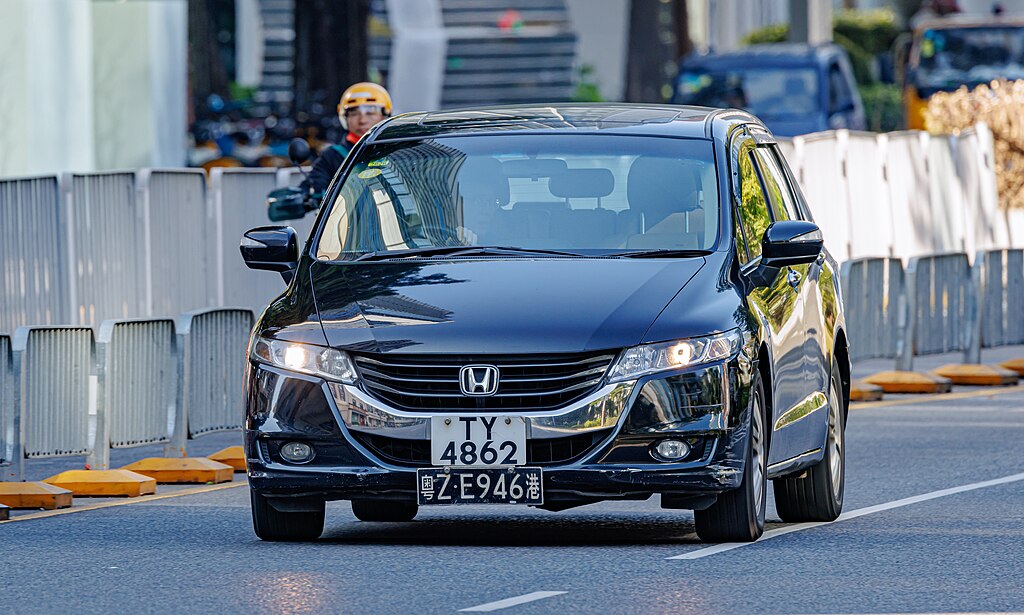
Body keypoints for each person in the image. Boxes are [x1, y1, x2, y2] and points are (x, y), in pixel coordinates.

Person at [301, 82, 392, 201]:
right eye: (354, 113)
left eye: (370, 113)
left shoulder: (399, 150)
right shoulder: (332, 156)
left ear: (386, 115)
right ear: (344, 118)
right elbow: (312, 187)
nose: (362, 120)